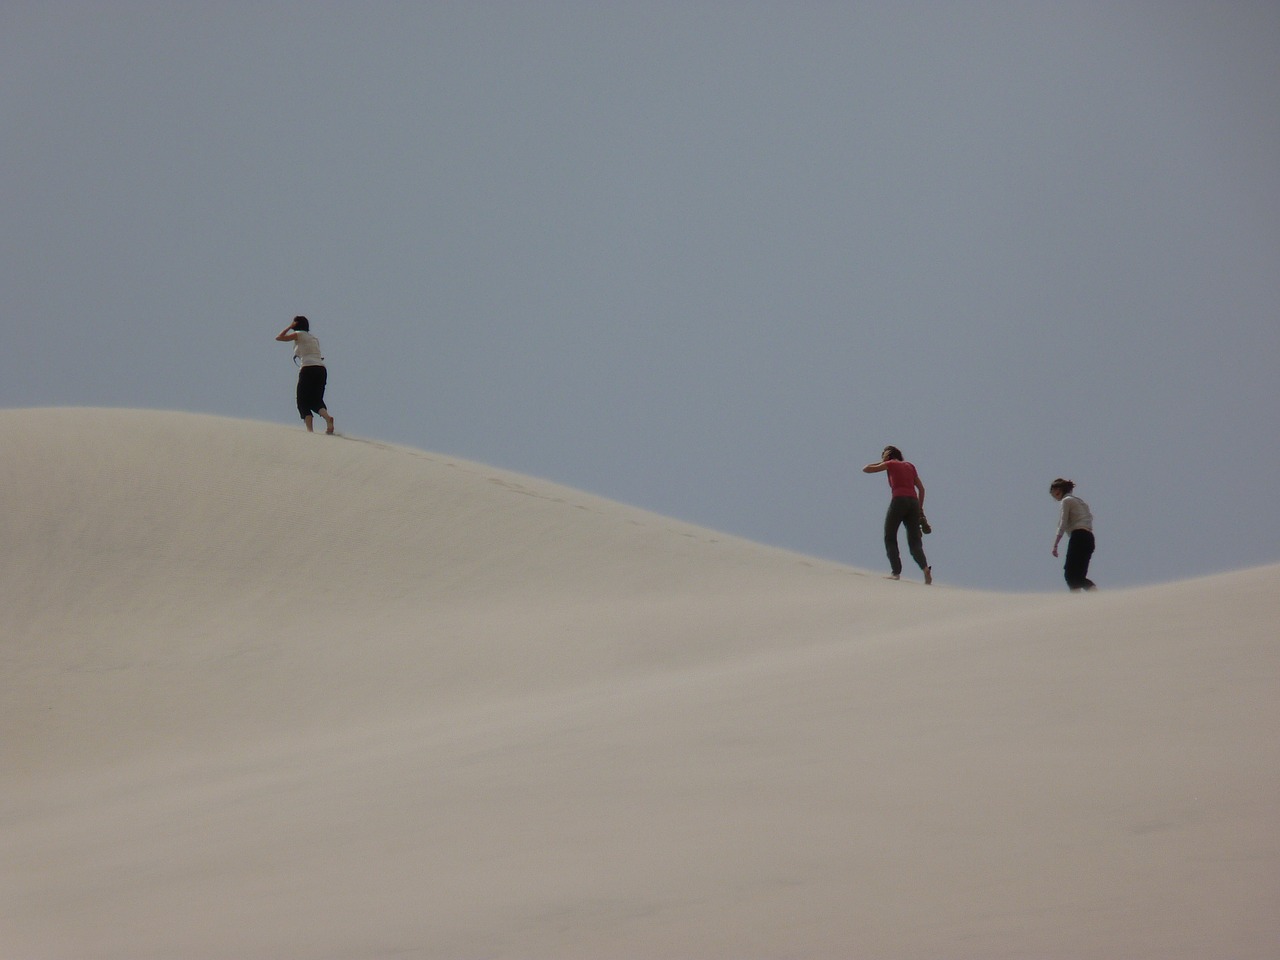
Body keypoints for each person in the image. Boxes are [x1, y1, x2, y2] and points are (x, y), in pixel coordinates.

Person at [862, 445, 931, 584]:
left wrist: (883, 461)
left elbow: (866, 469)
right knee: (915, 542)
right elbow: (921, 489)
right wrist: (920, 509)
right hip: (913, 503)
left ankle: (896, 572)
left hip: (899, 500)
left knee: (890, 536)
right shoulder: (910, 466)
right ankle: (925, 568)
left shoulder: (890, 463)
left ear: (888, 455)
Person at [275, 316, 335, 434]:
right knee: (315, 400)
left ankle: (310, 431)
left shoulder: (299, 334)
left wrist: (290, 327)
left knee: (302, 401)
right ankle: (327, 418)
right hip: (321, 370)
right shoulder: (314, 338)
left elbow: (279, 337)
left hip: (308, 368)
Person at [1050, 478, 1096, 591]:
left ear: (1058, 490)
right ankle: (1091, 598)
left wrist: (1055, 545)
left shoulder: (1066, 501)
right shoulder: (1081, 502)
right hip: (1089, 538)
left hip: (1078, 536)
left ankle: (1090, 598)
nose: (1054, 497)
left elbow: (1062, 523)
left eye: (1054, 493)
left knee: (1070, 576)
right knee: (1078, 577)